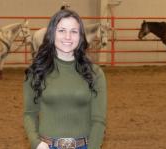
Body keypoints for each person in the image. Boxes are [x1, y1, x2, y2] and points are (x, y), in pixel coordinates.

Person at [23, 9, 107, 149]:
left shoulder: (95, 74)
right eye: (61, 30)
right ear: (52, 33)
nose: (68, 36)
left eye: (74, 31)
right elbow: (29, 113)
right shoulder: (36, 72)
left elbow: (99, 120)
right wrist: (36, 143)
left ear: (80, 36)